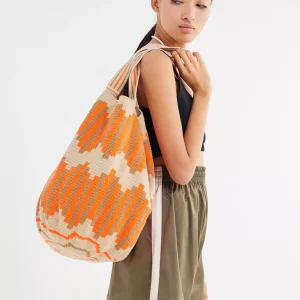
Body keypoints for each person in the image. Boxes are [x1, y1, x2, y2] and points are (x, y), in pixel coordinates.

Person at [107, 0, 212, 299]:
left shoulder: (176, 61)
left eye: (202, 4)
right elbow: (181, 171)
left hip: (184, 202)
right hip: (165, 200)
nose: (190, 13)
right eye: (178, 1)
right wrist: (203, 94)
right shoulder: (156, 61)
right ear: (155, 3)